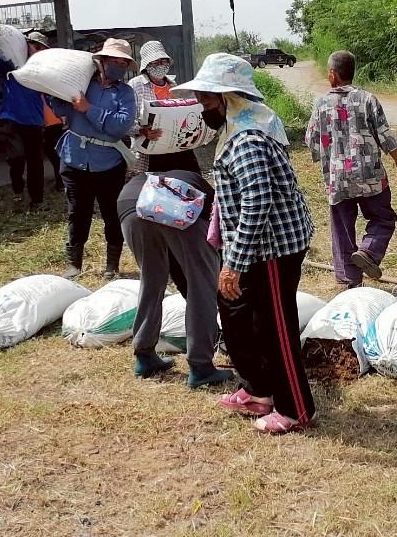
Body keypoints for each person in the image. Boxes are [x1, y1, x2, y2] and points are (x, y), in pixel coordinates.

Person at [172, 53, 316, 435]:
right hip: (254, 246)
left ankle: (296, 409)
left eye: (206, 98)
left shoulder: (248, 138)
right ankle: (260, 390)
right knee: (243, 317)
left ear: (229, 98)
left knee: (276, 329)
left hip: (273, 248)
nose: (201, 105)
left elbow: (257, 202)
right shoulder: (238, 129)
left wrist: (234, 263)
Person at [117, 169, 231, 388]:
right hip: (179, 205)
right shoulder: (214, 197)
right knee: (202, 287)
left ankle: (144, 356)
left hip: (130, 203)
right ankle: (201, 367)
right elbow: (221, 233)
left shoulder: (179, 178)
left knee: (151, 280)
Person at [306, 49, 397, 287]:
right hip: (369, 175)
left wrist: (329, 156)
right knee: (383, 217)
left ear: (332, 75)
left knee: (342, 228)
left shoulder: (321, 104)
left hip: (338, 178)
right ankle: (369, 251)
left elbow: (311, 141)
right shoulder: (367, 99)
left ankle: (350, 280)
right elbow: (384, 135)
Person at [45, 38, 137, 280]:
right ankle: (74, 264)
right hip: (74, 159)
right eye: (114, 61)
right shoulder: (83, 84)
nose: (119, 67)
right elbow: (61, 110)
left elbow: (120, 126)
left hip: (109, 163)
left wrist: (88, 109)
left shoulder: (125, 93)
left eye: (123, 63)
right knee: (77, 213)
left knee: (111, 213)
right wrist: (54, 93)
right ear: (102, 62)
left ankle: (112, 265)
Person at [0, 27, 49, 207]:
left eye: (42, 48)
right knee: (16, 158)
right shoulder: (9, 63)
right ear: (26, 45)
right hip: (12, 118)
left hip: (34, 120)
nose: (39, 51)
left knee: (35, 162)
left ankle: (37, 200)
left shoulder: (42, 69)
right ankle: (18, 190)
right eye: (36, 46)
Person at [126, 40, 202, 175]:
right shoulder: (135, 85)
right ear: (147, 65)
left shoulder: (173, 85)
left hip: (177, 148)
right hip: (151, 153)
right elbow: (125, 122)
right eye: (156, 62)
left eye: (164, 61)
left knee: (189, 180)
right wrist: (142, 130)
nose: (161, 65)